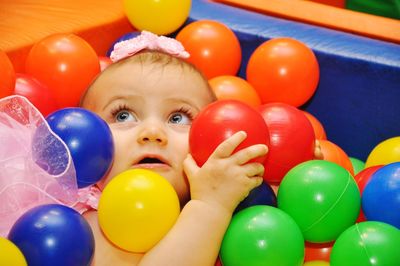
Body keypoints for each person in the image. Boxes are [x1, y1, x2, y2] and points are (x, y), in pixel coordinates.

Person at [79, 30, 268, 266]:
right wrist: (211, 207)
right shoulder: (91, 228)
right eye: (124, 114)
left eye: (178, 118)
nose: (152, 133)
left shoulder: (235, 211)